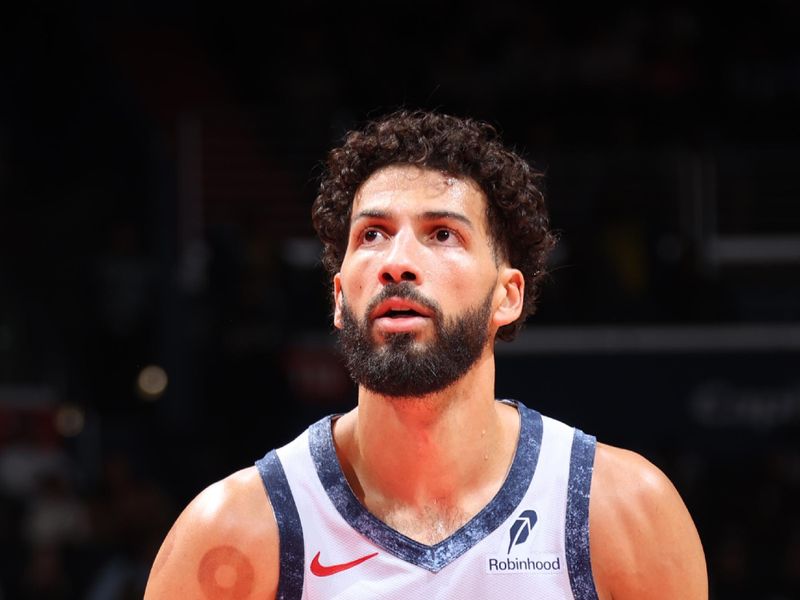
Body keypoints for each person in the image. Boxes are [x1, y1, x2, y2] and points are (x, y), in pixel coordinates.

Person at [144, 111, 708, 599]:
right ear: (340, 297)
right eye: (372, 234)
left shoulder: (619, 512)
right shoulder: (236, 532)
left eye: (442, 234)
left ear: (506, 296)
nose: (397, 262)